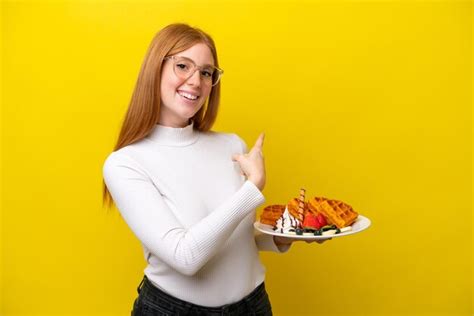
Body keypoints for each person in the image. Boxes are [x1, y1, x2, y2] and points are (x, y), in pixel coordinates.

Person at [102, 23, 324, 316]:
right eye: (183, 66)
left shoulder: (231, 146)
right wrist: (252, 187)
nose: (195, 81)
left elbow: (235, 242)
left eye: (206, 72)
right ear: (155, 69)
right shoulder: (125, 164)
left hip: (253, 306)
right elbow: (186, 257)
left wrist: (279, 237)